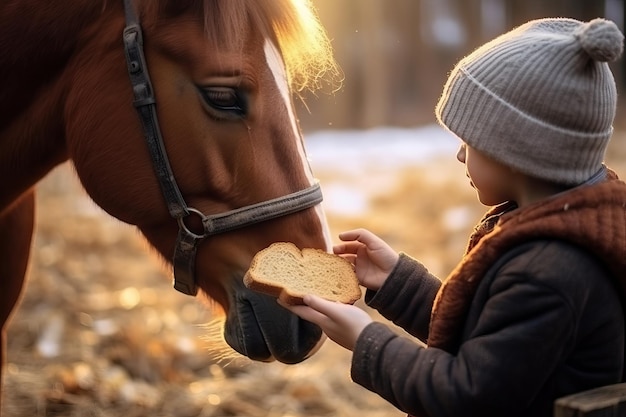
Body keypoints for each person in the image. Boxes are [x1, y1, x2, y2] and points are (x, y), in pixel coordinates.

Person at [281, 17, 626, 417]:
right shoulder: (563, 228)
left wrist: (365, 340)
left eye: (470, 140)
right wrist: (398, 283)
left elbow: (463, 398)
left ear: (518, 150)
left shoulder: (550, 271)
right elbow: (491, 340)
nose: (460, 154)